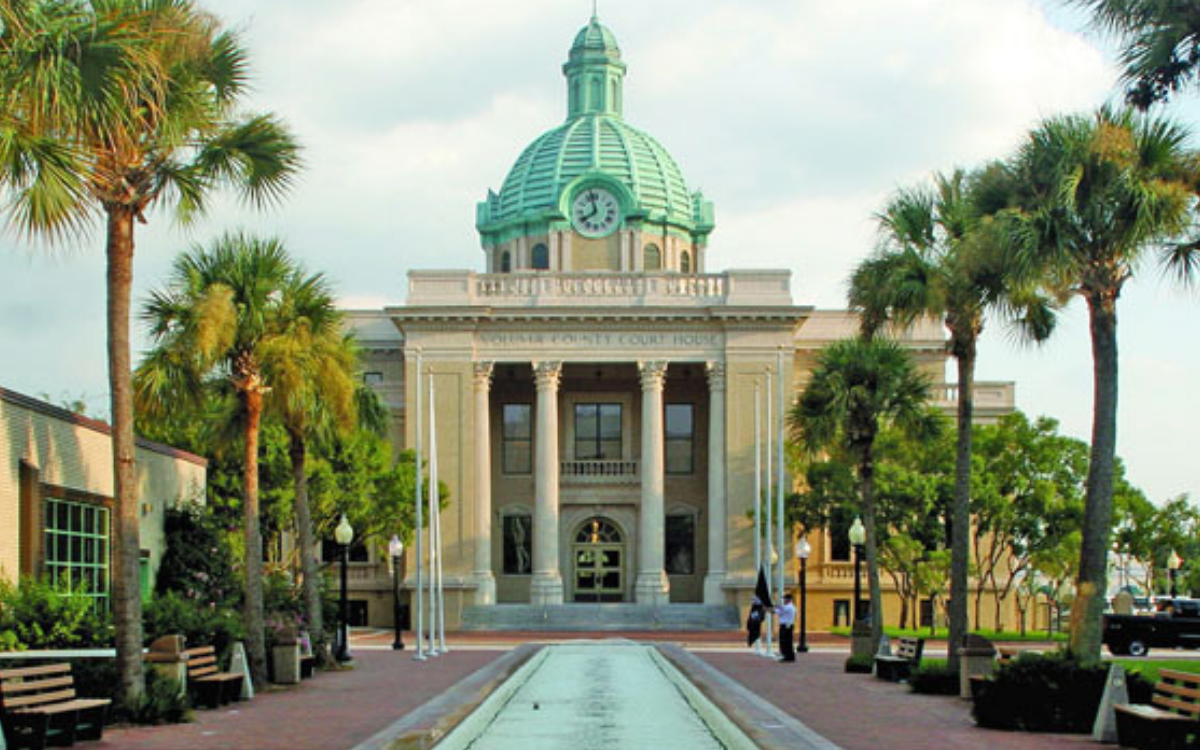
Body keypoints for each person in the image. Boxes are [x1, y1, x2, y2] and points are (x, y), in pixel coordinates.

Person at [775, 594, 797, 662]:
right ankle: (790, 656)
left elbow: (776, 611)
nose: (783, 600)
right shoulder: (791, 607)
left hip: (785, 626)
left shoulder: (788, 607)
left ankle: (787, 656)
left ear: (789, 599)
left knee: (785, 642)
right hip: (788, 626)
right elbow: (779, 609)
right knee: (788, 642)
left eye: (785, 599)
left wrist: (767, 608)